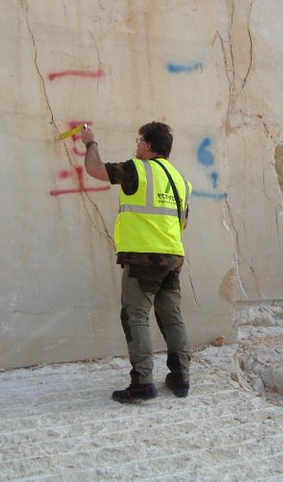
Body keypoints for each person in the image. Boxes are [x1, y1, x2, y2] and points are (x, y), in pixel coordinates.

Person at [81, 122, 192, 403]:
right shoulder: (181, 180)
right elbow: (184, 221)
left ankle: (142, 383)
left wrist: (90, 143)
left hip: (143, 257)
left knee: (136, 316)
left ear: (149, 145)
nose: (137, 145)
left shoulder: (137, 169)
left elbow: (95, 170)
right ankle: (181, 378)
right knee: (172, 317)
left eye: (139, 140)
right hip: (173, 256)